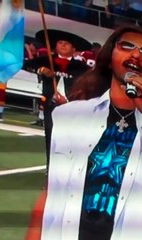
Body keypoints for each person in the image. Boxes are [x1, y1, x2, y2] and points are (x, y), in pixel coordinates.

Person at [41, 25, 142, 240]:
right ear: (110, 59)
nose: (136, 54)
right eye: (126, 46)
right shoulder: (68, 116)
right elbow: (52, 189)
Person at [23, 29, 91, 170]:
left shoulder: (82, 68)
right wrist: (41, 70)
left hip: (73, 109)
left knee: (72, 142)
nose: (63, 46)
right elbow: (26, 64)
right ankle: (51, 172)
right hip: (51, 108)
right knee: (51, 139)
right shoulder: (46, 61)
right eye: (60, 43)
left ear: (74, 49)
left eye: (67, 44)